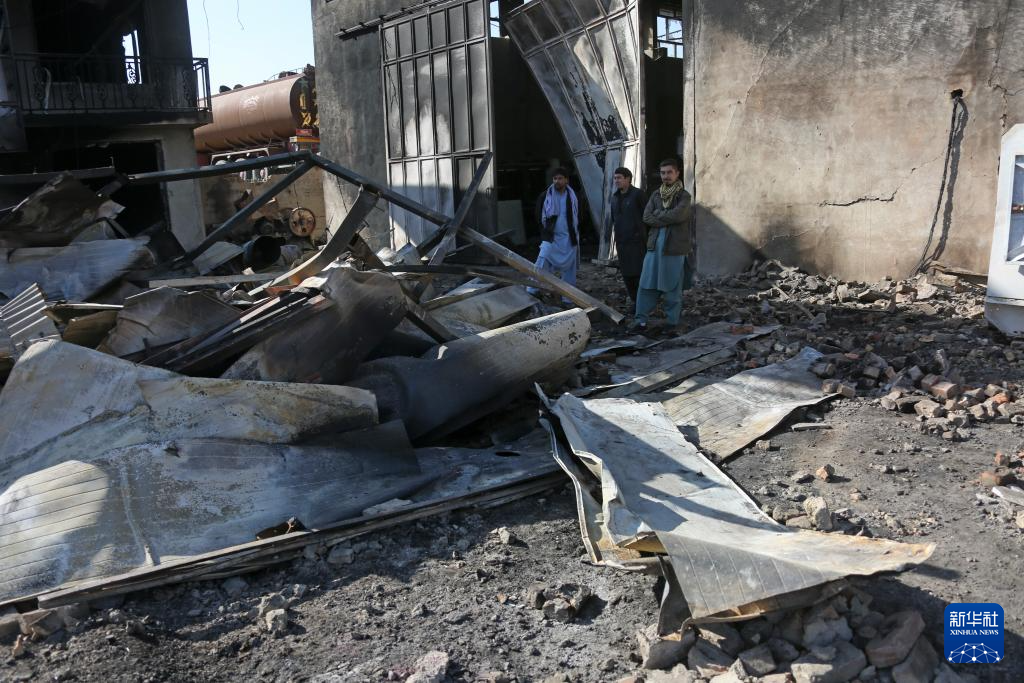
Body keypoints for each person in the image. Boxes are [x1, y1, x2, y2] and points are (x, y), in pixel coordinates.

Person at [631, 158, 692, 333]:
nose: (666, 176)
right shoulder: (656, 195)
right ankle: (641, 321)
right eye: (663, 173)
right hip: (654, 248)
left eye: (669, 172)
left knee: (672, 287)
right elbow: (646, 216)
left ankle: (672, 323)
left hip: (674, 249)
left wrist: (658, 214)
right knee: (646, 284)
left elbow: (678, 216)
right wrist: (665, 217)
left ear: (677, 173)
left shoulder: (684, 196)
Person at [530, 167, 580, 291]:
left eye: (560, 178)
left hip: (569, 237)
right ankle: (532, 291)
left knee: (570, 268)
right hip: (551, 237)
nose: (557, 181)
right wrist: (545, 232)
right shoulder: (545, 196)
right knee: (542, 261)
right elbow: (538, 216)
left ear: (566, 180)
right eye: (555, 178)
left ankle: (568, 296)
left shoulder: (572, 196)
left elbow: (579, 215)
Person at [608, 167, 647, 302]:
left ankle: (641, 305)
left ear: (628, 179)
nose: (616, 181)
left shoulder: (638, 195)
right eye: (615, 178)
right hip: (622, 244)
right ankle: (634, 302)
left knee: (639, 275)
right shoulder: (614, 198)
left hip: (637, 244)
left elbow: (647, 218)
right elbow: (614, 220)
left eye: (619, 178)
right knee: (627, 275)